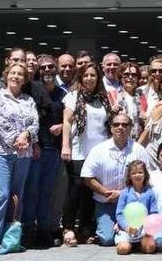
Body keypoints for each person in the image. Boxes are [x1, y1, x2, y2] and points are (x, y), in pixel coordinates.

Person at [0, 61, 38, 254]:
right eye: (12, 73)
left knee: (17, 197)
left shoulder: (28, 100)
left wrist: (27, 136)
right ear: (6, 75)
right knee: (2, 195)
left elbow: (34, 122)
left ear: (25, 80)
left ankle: (11, 237)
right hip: (0, 152)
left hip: (23, 153)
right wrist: (16, 138)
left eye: (20, 74)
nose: (16, 76)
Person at [61, 63, 113, 247]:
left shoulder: (103, 99)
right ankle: (68, 228)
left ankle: (85, 228)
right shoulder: (73, 96)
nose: (90, 78)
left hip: (98, 152)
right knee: (75, 189)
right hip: (78, 150)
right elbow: (66, 122)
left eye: (93, 75)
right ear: (81, 78)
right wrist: (65, 145)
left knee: (91, 191)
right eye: (86, 75)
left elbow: (108, 124)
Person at [80, 112, 148, 247]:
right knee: (107, 239)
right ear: (110, 128)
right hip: (106, 202)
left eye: (124, 124)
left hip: (132, 204)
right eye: (116, 124)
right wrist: (106, 192)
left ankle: (123, 231)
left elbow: (146, 178)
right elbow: (87, 177)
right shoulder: (99, 150)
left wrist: (122, 194)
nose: (120, 127)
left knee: (137, 235)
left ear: (130, 128)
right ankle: (109, 227)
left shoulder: (139, 150)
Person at [23, 55, 65, 248]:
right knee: (31, 191)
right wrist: (33, 142)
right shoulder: (31, 90)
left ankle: (44, 231)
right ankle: (29, 230)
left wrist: (63, 126)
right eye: (44, 67)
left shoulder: (62, 94)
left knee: (47, 192)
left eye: (50, 67)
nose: (47, 70)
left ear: (55, 69)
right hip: (35, 149)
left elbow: (72, 120)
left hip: (53, 150)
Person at [114, 160, 158, 255]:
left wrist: (148, 229)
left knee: (150, 248)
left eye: (140, 172)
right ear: (129, 176)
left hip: (143, 230)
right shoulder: (125, 193)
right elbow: (119, 214)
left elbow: (153, 213)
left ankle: (140, 245)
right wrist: (126, 227)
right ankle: (127, 244)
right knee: (123, 249)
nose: (137, 175)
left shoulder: (150, 193)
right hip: (127, 230)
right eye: (133, 173)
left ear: (145, 174)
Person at [114, 62, 141, 139]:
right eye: (126, 75)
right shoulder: (112, 96)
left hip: (136, 141)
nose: (130, 77)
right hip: (117, 141)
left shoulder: (142, 98)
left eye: (134, 75)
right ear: (120, 77)